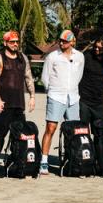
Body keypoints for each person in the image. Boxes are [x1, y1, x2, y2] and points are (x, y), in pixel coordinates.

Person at [39, 30, 84, 175]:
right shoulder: (52, 56)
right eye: (60, 40)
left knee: (73, 131)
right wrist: (52, 92)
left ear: (72, 42)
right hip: (56, 96)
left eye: (65, 41)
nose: (61, 43)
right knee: (50, 128)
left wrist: (72, 89)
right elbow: (45, 78)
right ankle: (44, 161)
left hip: (73, 97)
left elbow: (79, 76)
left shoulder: (80, 56)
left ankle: (72, 160)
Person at [0, 30, 36, 150]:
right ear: (5, 43)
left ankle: (16, 160)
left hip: (19, 105)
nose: (15, 44)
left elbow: (28, 77)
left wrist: (32, 97)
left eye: (17, 42)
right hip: (3, 105)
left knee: (20, 138)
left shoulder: (23, 58)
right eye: (12, 42)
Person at [78, 38, 103, 124]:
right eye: (95, 46)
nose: (96, 49)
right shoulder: (87, 56)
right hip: (83, 99)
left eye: (100, 48)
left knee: (99, 128)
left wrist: (101, 86)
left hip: (98, 101)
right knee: (83, 128)